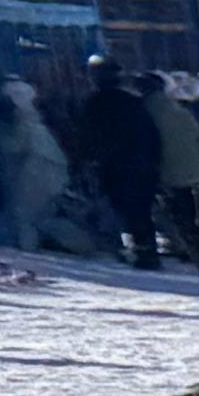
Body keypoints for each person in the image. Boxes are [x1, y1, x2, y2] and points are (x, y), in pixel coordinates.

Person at [68, 58, 167, 269]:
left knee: (125, 209)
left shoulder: (95, 104)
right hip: (142, 165)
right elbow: (152, 135)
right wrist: (154, 161)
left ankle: (135, 251)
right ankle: (146, 251)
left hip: (118, 166)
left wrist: (83, 160)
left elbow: (89, 137)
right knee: (141, 210)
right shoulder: (134, 103)